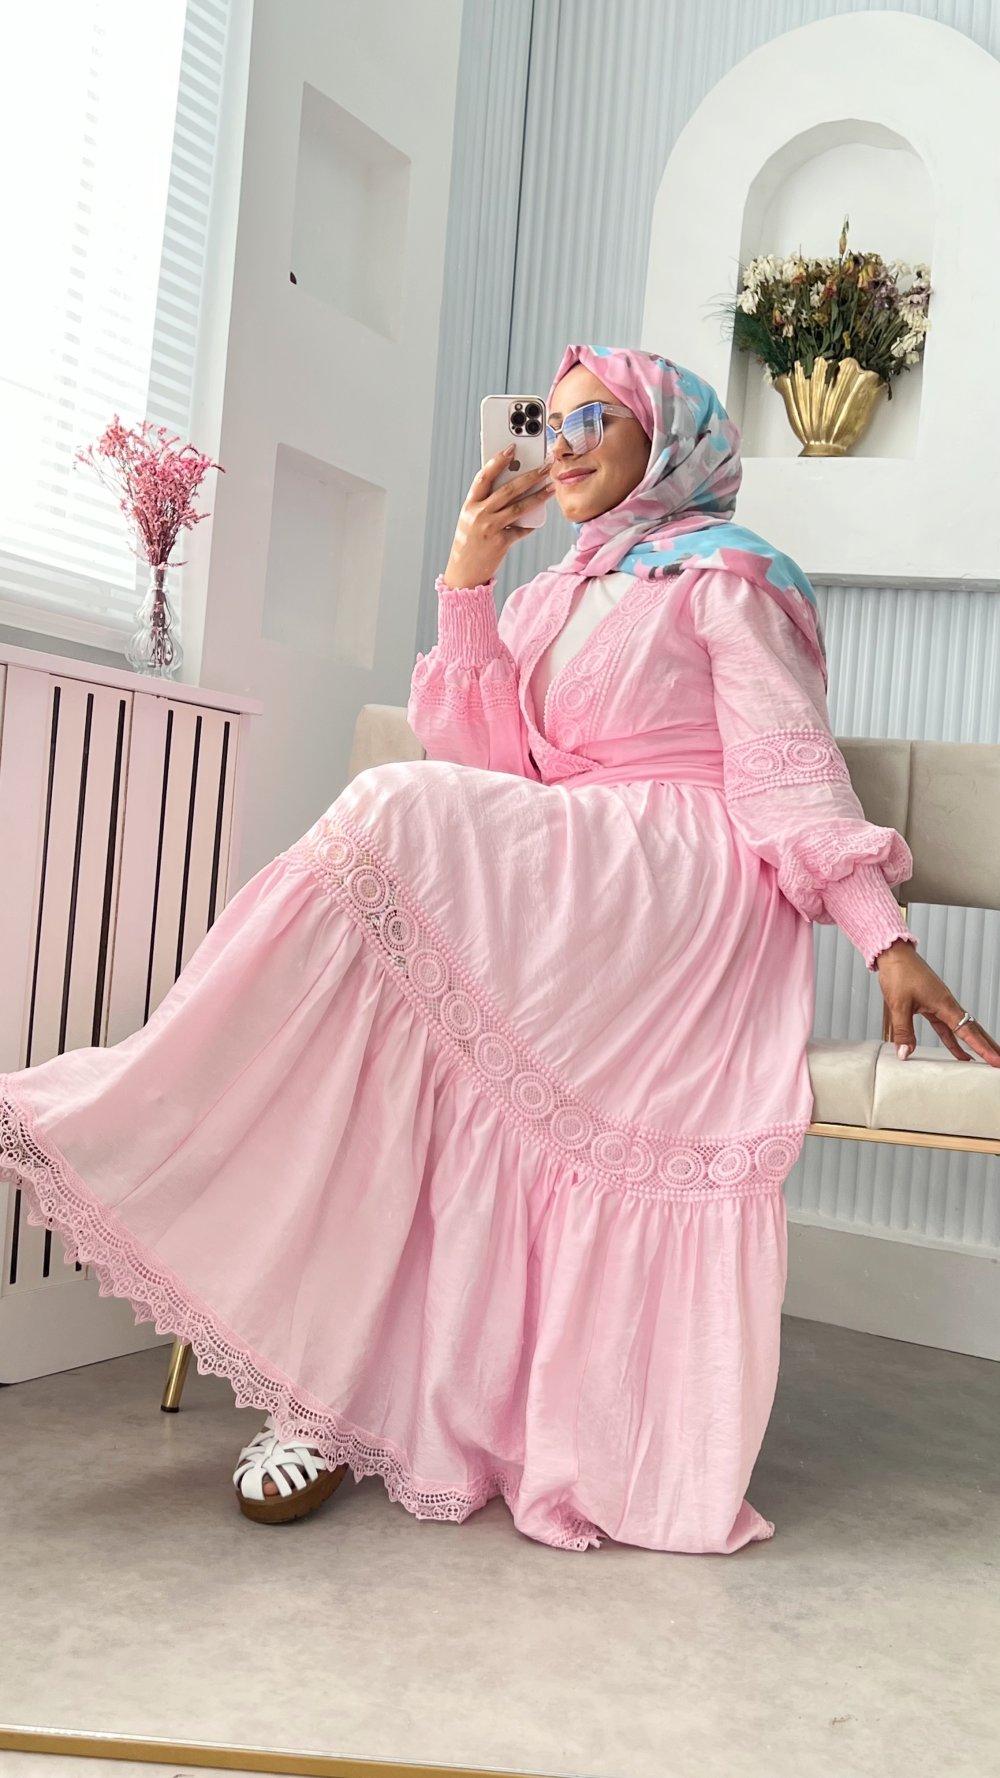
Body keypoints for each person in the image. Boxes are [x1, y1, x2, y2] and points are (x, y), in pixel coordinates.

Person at [1, 344, 997, 1551]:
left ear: (667, 440)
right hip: (568, 871)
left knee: (392, 809)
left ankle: (143, 1097)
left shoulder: (730, 578)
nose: (561, 446)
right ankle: (326, 1390)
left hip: (683, 884)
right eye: (548, 421)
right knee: (385, 1042)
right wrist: (469, 581)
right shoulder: (546, 595)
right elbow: (485, 768)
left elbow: (787, 771)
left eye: (593, 421)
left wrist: (883, 935)